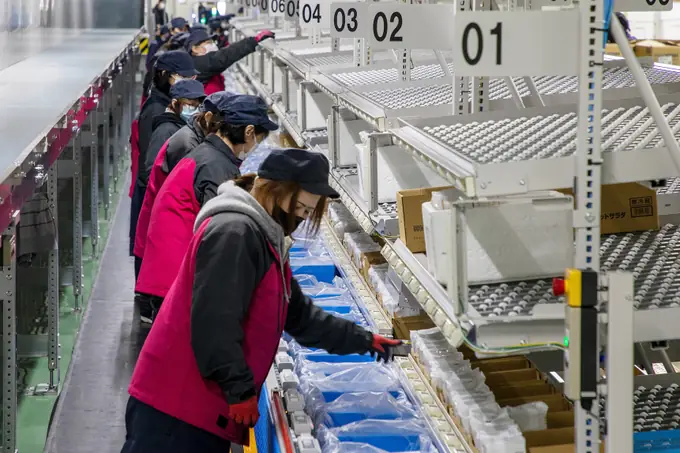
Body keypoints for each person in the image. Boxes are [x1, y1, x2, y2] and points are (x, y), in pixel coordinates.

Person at [123, 148, 402, 453]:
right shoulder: (235, 232)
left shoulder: (263, 234)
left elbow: (300, 317)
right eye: (301, 208)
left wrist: (363, 340)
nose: (301, 218)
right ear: (277, 190)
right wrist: (240, 390)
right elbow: (214, 321)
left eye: (307, 212)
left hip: (198, 407)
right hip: (176, 409)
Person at [135, 94, 278, 318]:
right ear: (249, 132)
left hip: (170, 269)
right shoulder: (215, 165)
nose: (255, 146)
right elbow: (222, 232)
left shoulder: (207, 153)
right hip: (178, 275)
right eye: (257, 139)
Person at [134, 91, 227, 324]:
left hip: (170, 222)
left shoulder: (192, 138)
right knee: (167, 309)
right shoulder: (187, 142)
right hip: (173, 227)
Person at [132, 79, 206, 281]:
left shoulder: (177, 127)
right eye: (189, 104)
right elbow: (150, 172)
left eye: (197, 104)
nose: (194, 109)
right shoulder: (167, 130)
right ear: (175, 103)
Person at [186, 28, 274, 95]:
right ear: (195, 49)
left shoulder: (206, 67)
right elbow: (224, 56)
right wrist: (253, 41)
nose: (213, 45)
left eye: (213, 42)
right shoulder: (197, 65)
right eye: (208, 42)